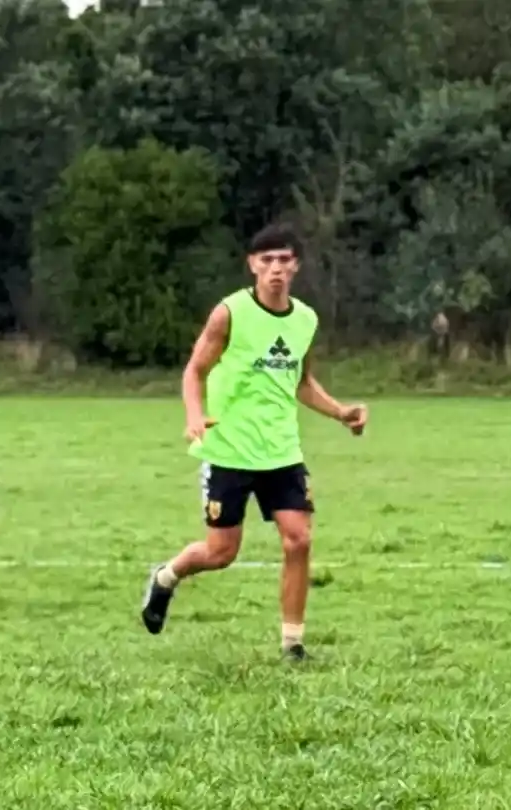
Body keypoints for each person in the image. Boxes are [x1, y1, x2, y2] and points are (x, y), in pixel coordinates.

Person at [139, 223, 368, 661]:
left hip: (282, 451)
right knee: (221, 552)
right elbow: (194, 371)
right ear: (252, 266)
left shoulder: (305, 319)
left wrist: (340, 412)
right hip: (229, 450)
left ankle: (292, 644)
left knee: (298, 539)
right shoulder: (229, 313)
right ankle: (166, 577)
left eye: (284, 260)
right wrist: (193, 415)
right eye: (267, 261)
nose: (276, 269)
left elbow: (300, 382)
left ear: (296, 265)